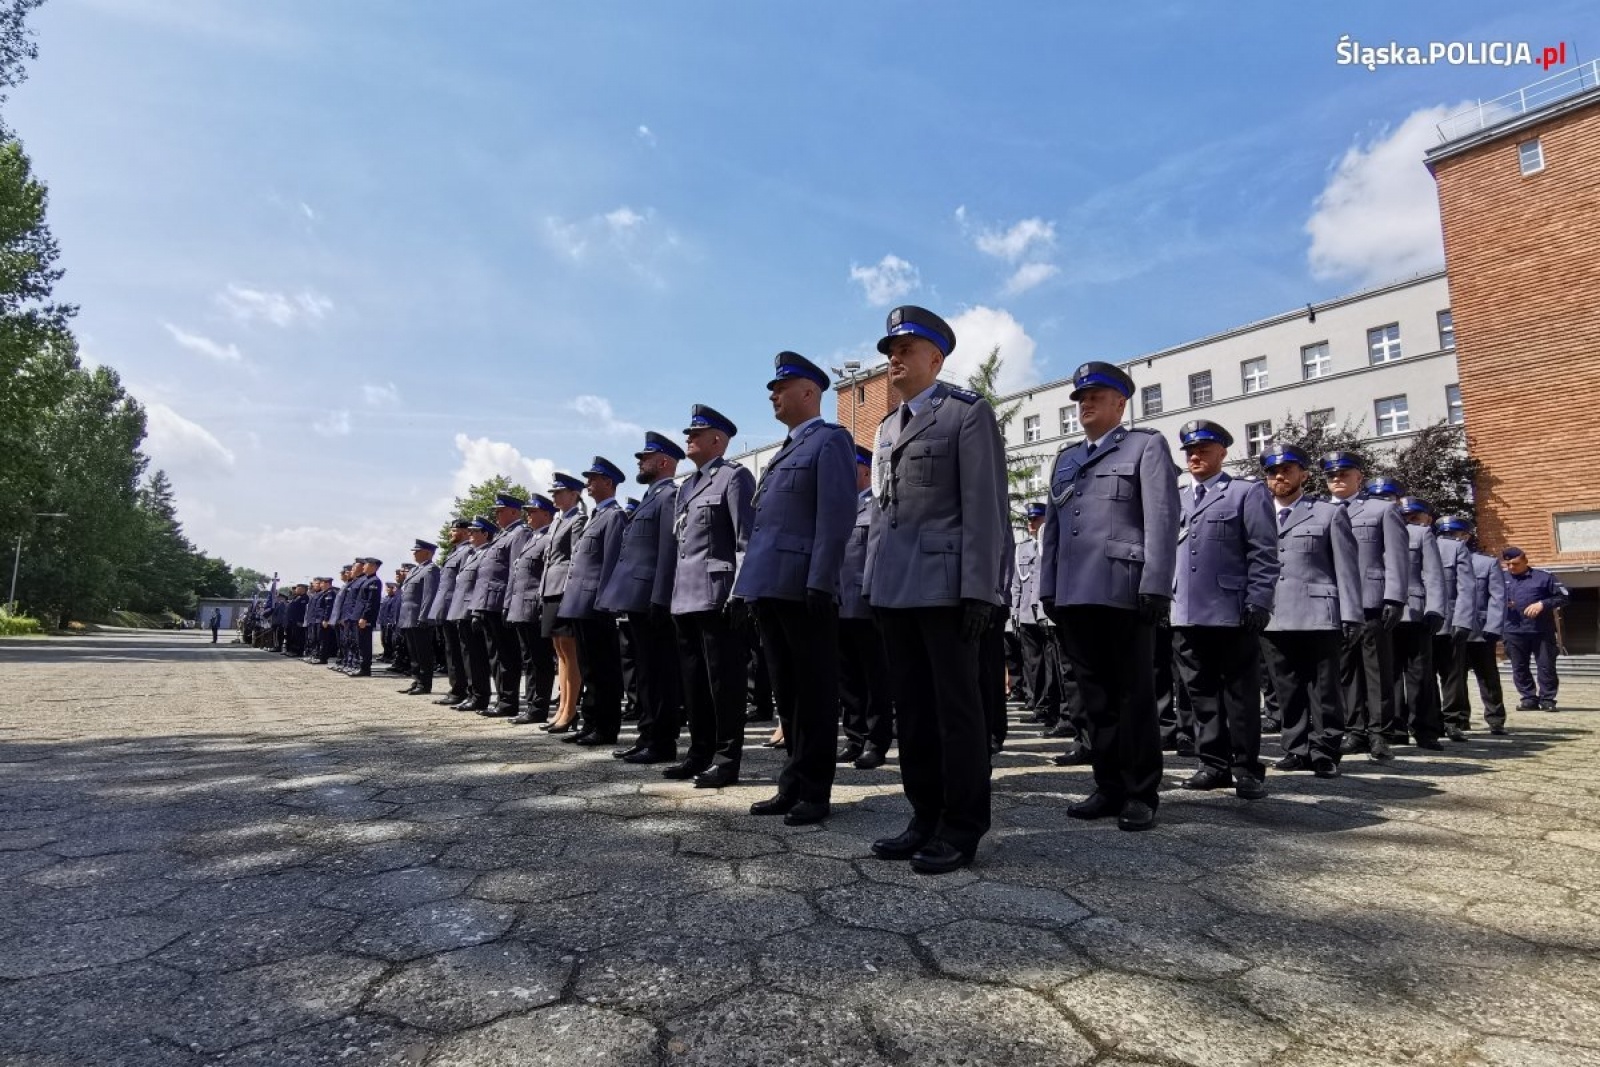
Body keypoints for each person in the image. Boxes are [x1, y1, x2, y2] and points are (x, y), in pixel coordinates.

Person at [863, 305, 1008, 874]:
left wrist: (981, 591)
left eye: (905, 349)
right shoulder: (885, 426)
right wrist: (873, 584)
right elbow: (882, 514)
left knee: (957, 712)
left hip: (948, 590)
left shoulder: (966, 414)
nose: (894, 359)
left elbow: (986, 507)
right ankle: (923, 815)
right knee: (915, 712)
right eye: (889, 351)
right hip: (895, 590)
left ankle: (963, 826)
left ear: (935, 357)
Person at [1039, 361, 1178, 832]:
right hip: (1075, 592)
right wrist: (1048, 588)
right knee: (1093, 696)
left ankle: (1141, 792)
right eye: (1080, 397)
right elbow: (1053, 531)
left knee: (1134, 694)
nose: (1086, 403)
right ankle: (1108, 785)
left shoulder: (1145, 446)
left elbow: (1161, 517)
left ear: (1121, 401)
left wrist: (1156, 583)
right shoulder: (1065, 459)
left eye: (1096, 395)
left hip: (1124, 589)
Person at [735, 352, 856, 826]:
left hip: (806, 589)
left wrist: (821, 581)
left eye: (781, 387)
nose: (773, 395)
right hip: (772, 588)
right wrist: (748, 591)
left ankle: (816, 791)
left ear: (809, 392)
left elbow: (835, 518)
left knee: (814, 693)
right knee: (787, 694)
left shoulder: (830, 442)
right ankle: (792, 783)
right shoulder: (784, 450)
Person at [1169, 420, 1278, 800]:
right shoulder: (1177, 499)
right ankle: (1213, 763)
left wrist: (1259, 599)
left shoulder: (1246, 494)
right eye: (1189, 451)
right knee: (1199, 692)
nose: (1195, 456)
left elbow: (1263, 553)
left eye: (1203, 449)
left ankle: (1246, 767)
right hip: (1185, 611)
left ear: (1223, 452)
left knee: (1240, 693)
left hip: (1233, 610)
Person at [666, 404, 755, 787]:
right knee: (694, 682)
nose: (688, 438)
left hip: (717, 594)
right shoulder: (686, 485)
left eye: (696, 434)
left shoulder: (734, 477)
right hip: (684, 596)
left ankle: (725, 759)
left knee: (724, 682)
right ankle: (698, 753)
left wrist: (740, 593)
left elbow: (745, 542)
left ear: (717, 440)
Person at [1258, 445, 1361, 777]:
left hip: (1318, 612)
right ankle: (1295, 747)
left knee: (1324, 687)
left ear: (1303, 474)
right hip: (1273, 613)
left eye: (1287, 470)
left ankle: (1325, 749)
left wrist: (1352, 614)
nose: (1279, 476)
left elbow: (1346, 568)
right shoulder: (1256, 515)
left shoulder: (1328, 513)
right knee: (1285, 686)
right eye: (1273, 471)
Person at [599, 433, 685, 763]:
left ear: (663, 462)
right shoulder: (651, 498)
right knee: (645, 671)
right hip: (636, 597)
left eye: (646, 457)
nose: (639, 461)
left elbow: (667, 551)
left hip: (651, 597)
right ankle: (648, 734)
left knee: (659, 671)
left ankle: (662, 741)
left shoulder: (668, 497)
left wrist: (661, 598)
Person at [1323, 456, 1408, 763]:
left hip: (1371, 602)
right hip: (1336, 604)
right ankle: (1354, 730)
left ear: (1359, 476)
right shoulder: (1320, 511)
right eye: (1331, 474)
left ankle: (1379, 733)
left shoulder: (1381, 510)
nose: (1337, 478)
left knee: (1376, 671)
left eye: (1344, 473)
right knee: (1344, 672)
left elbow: (1397, 557)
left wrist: (1395, 598)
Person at [558, 457, 628, 746]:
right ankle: (590, 722)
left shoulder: (614, 516)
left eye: (594, 479)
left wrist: (606, 602)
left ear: (608, 483)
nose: (588, 483)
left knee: (604, 669)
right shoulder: (595, 517)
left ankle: (606, 727)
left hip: (596, 604)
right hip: (580, 603)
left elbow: (611, 563)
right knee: (588, 668)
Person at [837, 444, 894, 771]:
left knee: (875, 678)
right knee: (847, 678)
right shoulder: (839, 508)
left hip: (868, 603)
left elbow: (882, 556)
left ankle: (875, 742)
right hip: (839, 603)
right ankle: (854, 738)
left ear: (862, 470)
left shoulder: (877, 507)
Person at [1437, 516, 1508, 734]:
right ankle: (1459, 719)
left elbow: (1497, 597)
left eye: (1454, 535)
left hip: (1480, 630)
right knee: (1453, 676)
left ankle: (1495, 719)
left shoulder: (1486, 563)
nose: (1450, 539)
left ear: (1466, 536)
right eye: (1445, 534)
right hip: (1451, 628)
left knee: (1488, 676)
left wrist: (1494, 627)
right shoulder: (1436, 560)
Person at [468, 492, 533, 718]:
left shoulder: (519, 534)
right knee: (495, 656)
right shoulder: (502, 536)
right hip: (488, 603)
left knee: (507, 656)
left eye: (500, 510)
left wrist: (508, 604)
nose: (496, 514)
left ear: (514, 512)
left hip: (500, 603)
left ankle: (508, 702)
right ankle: (501, 699)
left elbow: (517, 572)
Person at [1395, 496, 1447, 749]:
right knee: (1388, 675)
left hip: (1415, 613)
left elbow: (1433, 575)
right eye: (1404, 517)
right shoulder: (1381, 531)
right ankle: (1394, 728)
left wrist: (1435, 609)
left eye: (1413, 517)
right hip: (1384, 612)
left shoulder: (1422, 535)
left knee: (1420, 675)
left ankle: (1425, 729)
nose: (1408, 522)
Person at [539, 475, 588, 733]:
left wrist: (571, 592)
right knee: (559, 651)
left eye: (560, 493)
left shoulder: (577, 519)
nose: (555, 497)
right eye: (554, 493)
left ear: (574, 495)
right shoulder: (559, 521)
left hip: (563, 590)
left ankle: (570, 711)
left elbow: (576, 558)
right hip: (550, 588)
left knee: (569, 652)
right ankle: (562, 708)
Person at [505, 496, 557, 725]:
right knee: (529, 660)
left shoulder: (548, 538)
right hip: (521, 607)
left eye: (532, 511)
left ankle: (538, 708)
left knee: (539, 660)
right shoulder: (532, 539)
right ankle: (531, 704)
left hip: (534, 607)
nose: (528, 515)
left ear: (546, 514)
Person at [1500, 546, 1569, 712]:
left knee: (1546, 666)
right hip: (1513, 630)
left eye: (1515, 564)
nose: (1511, 568)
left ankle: (1547, 699)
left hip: (1541, 630)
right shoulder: (1500, 578)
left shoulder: (1544, 577)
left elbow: (1564, 596)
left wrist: (1542, 604)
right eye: (1507, 564)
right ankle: (1529, 698)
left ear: (1525, 560)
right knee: (1519, 667)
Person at [1429, 507, 1477, 742]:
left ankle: (1452, 720)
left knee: (1452, 675)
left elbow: (1466, 589)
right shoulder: (1406, 541)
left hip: (1449, 624)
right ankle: (1430, 720)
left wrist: (1463, 620)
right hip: (1420, 622)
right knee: (1422, 676)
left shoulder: (1454, 549)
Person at [426, 520, 474, 705]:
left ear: (464, 531)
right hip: (447, 608)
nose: (450, 533)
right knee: (451, 651)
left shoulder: (468, 551)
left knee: (461, 651)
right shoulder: (455, 552)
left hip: (457, 607)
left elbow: (464, 582)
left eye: (453, 530)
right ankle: (456, 688)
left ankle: (464, 690)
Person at [449, 522, 494, 709]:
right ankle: (472, 693)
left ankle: (480, 696)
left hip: (471, 609)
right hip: (462, 610)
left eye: (475, 531)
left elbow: (480, 584)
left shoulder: (486, 553)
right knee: (467, 655)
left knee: (476, 657)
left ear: (485, 534)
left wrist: (476, 611)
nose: (470, 534)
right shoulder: (473, 554)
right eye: (470, 531)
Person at [397, 540, 440, 696]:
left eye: (417, 551)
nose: (414, 553)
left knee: (423, 653)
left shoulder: (431, 570)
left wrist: (424, 616)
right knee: (413, 653)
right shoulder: (416, 570)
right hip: (408, 618)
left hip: (419, 618)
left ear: (427, 553)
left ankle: (424, 684)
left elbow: (429, 596)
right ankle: (416, 680)